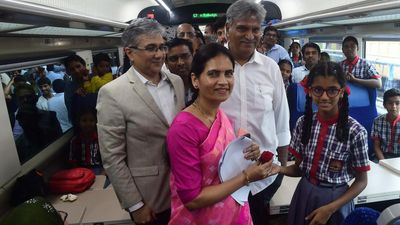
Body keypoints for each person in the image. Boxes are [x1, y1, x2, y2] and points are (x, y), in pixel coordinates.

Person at [167, 43, 273, 225]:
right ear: (195, 80)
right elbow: (193, 200)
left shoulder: (219, 114)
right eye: (213, 74)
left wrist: (247, 153)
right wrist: (247, 177)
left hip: (233, 213)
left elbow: (222, 164)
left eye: (228, 73)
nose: (223, 81)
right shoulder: (184, 128)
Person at [96, 18, 185, 225]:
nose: (160, 54)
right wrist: (135, 205)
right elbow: (112, 157)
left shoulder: (177, 82)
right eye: (151, 48)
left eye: (162, 47)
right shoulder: (112, 93)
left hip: (184, 188)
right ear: (130, 52)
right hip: (149, 197)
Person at [271, 62, 370, 225]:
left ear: (342, 92)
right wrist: (278, 169)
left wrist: (330, 208)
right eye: (317, 89)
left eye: (332, 90)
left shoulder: (356, 131)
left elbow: (361, 181)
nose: (324, 97)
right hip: (304, 192)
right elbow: (299, 168)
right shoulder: (303, 123)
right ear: (309, 91)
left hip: (336, 198)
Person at [220, 1, 291, 224]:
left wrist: (282, 170)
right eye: (242, 28)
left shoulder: (270, 68)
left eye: (255, 29)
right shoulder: (213, 65)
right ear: (227, 28)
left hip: (264, 175)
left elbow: (281, 120)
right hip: (221, 176)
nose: (250, 35)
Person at [371, 88, 400, 160]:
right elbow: (376, 147)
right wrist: (384, 162)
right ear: (384, 105)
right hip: (382, 155)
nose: (394, 106)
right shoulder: (377, 121)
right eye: (390, 103)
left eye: (397, 103)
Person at [165, 38, 194, 105]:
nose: (180, 63)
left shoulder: (203, 85)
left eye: (185, 56)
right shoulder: (163, 89)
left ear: (193, 56)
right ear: (166, 63)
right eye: (173, 59)